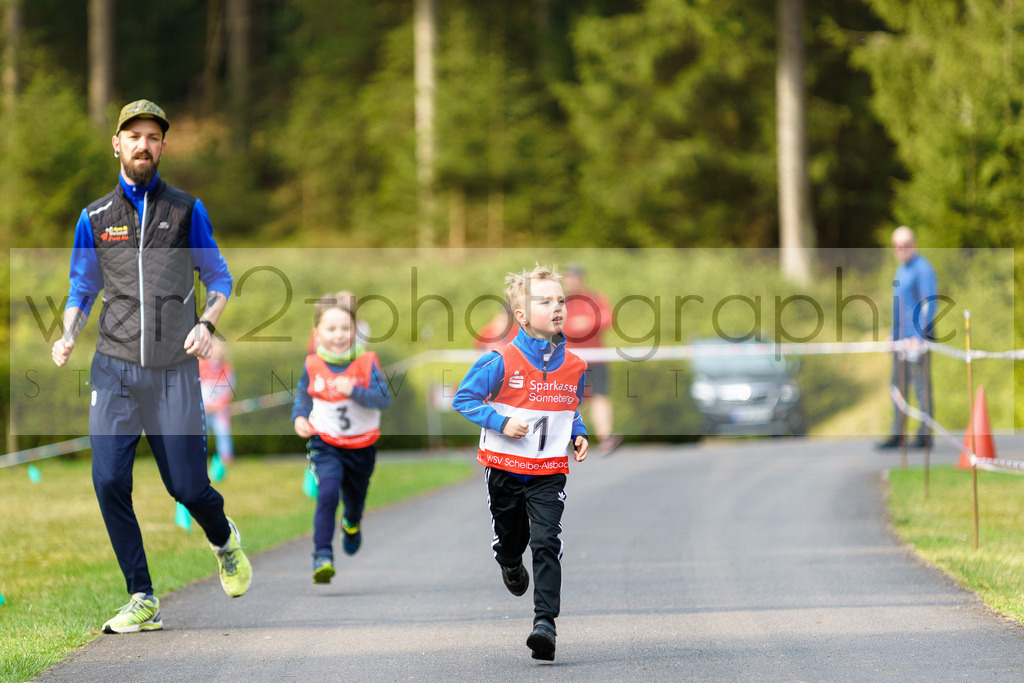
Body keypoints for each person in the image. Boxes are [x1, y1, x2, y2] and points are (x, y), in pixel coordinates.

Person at [50, 99, 251, 634]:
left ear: (163, 146)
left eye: (153, 137)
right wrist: (69, 332)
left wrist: (206, 325)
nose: (144, 144)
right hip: (113, 370)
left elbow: (220, 278)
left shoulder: (186, 210)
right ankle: (142, 596)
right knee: (109, 479)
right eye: (133, 136)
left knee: (187, 487)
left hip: (173, 373)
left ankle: (224, 538)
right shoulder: (94, 218)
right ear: (116, 143)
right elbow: (82, 286)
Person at [453, 265, 589, 661]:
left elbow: (569, 409)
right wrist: (501, 421)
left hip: (548, 472)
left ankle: (544, 624)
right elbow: (464, 399)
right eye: (545, 301)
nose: (557, 307)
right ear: (522, 315)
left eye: (561, 299)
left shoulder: (575, 365)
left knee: (547, 540)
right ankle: (509, 562)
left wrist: (579, 434)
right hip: (504, 469)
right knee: (513, 541)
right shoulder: (499, 359)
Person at [292, 294, 391, 584]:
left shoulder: (367, 361)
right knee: (328, 491)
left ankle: (352, 523)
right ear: (317, 333)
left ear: (355, 330)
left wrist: (355, 391)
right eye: (331, 329)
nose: (339, 335)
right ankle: (322, 554)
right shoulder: (312, 364)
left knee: (354, 501)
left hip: (362, 446)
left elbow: (383, 399)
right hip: (326, 443)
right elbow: (302, 396)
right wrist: (299, 418)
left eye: (346, 328)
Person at [876, 225, 937, 450]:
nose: (901, 250)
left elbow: (928, 303)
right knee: (898, 386)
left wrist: (919, 336)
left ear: (914, 244)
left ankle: (924, 435)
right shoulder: (901, 270)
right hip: (901, 340)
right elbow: (900, 307)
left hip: (917, 341)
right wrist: (893, 334)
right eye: (897, 247)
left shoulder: (923, 268)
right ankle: (897, 434)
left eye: (905, 245)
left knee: (921, 387)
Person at [562, 263, 621, 454]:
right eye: (568, 277)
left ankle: (605, 438)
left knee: (599, 396)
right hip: (570, 361)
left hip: (595, 359)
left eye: (574, 277)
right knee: (568, 399)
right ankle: (565, 439)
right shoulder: (560, 300)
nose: (571, 281)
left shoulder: (595, 297)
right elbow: (557, 325)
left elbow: (607, 318)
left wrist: (587, 323)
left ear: (581, 279)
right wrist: (574, 325)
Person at [199, 337, 236, 465]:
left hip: (220, 409)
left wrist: (220, 405)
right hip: (203, 408)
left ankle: (226, 458)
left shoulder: (227, 368)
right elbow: (196, 387)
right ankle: (198, 457)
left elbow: (229, 389)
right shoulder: (201, 366)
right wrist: (204, 405)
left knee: (223, 432)